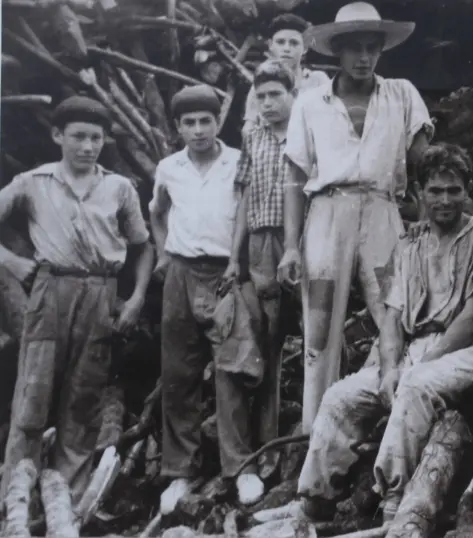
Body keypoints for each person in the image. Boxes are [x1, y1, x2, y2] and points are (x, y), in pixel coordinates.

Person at [296, 143, 473, 522]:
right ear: (420, 192)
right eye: (435, 190)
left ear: (468, 192)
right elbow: (392, 318)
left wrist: (419, 366)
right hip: (414, 348)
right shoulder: (411, 246)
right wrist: (390, 368)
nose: (445, 200)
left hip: (468, 348)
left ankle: (394, 499)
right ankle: (313, 500)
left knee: (416, 385)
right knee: (341, 396)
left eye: (454, 190)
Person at [279, 1, 433, 433]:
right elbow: (293, 176)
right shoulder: (311, 103)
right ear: (338, 52)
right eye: (354, 48)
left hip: (384, 213)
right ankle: (314, 433)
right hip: (328, 213)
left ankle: (391, 423)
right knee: (320, 327)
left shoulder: (402, 94)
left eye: (372, 48)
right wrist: (291, 245)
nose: (364, 57)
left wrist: (427, 217)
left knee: (393, 314)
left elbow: (425, 161)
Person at [0, 96, 154, 504]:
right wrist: (11, 260)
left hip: (101, 293)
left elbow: (143, 247)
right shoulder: (33, 183)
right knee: (33, 393)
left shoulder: (119, 187)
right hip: (51, 291)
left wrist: (136, 298)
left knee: (84, 397)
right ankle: (17, 496)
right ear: (57, 136)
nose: (88, 146)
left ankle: (66, 495)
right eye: (78, 137)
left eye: (96, 138)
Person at [150, 85, 263, 513]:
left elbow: (245, 215)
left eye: (205, 121)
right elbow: (156, 212)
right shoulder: (169, 167)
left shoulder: (238, 162)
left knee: (231, 368)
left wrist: (236, 260)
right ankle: (181, 471)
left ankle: (240, 467)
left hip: (225, 272)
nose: (198, 131)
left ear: (219, 123)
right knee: (179, 371)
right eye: (189, 123)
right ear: (177, 127)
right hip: (180, 271)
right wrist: (164, 253)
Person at [225, 61, 297, 479]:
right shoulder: (251, 135)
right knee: (263, 341)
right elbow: (244, 202)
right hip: (258, 244)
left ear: (292, 95)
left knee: (298, 339)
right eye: (262, 95)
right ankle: (262, 447)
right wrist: (235, 258)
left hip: (298, 241)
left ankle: (292, 442)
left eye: (277, 95)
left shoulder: (307, 132)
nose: (269, 103)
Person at [241, 13, 329, 134]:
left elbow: (331, 123)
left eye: (294, 43)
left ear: (305, 48)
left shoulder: (317, 81)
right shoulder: (260, 85)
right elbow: (248, 129)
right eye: (280, 42)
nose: (287, 48)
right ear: (270, 45)